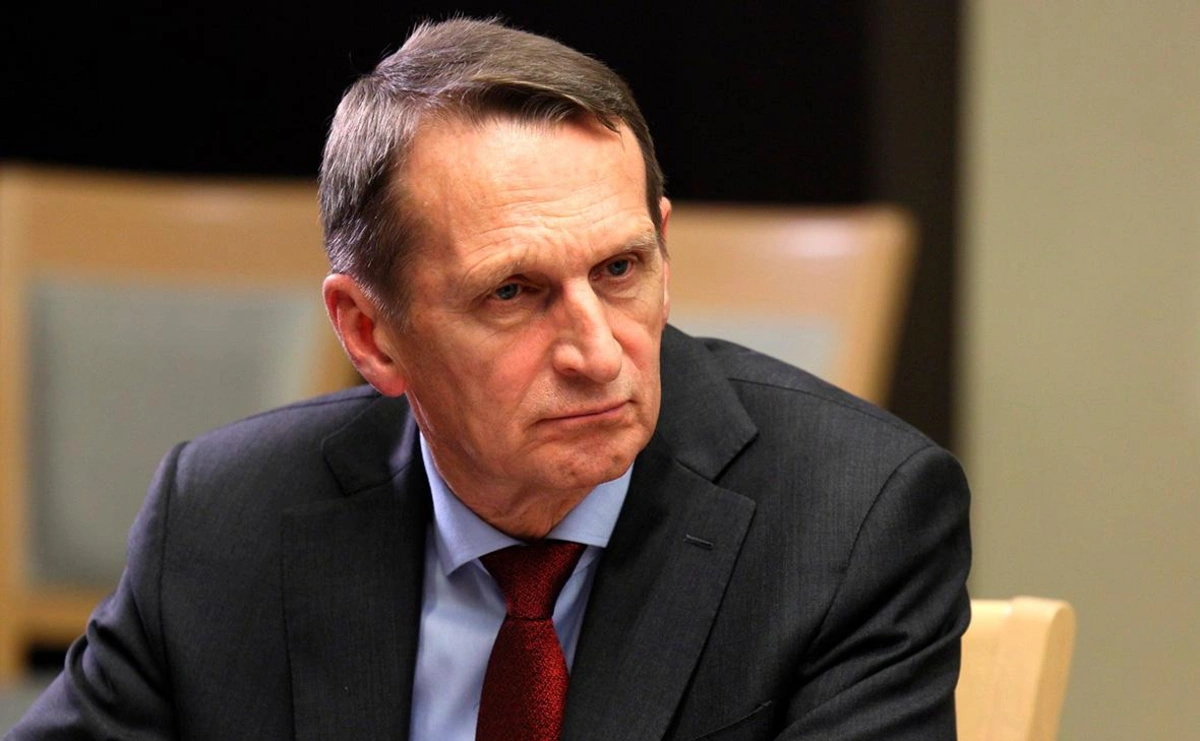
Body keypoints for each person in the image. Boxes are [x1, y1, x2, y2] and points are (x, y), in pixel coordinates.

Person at [7, 17, 971, 741]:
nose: (597, 353)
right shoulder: (225, 518)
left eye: (620, 270)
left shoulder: (853, 520)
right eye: (513, 292)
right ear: (371, 333)